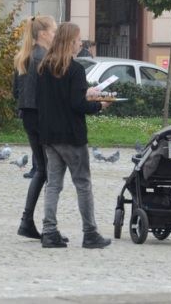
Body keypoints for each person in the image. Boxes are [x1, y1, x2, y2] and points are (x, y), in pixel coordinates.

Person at [37, 22, 112, 249]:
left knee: (53, 184)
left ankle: (49, 231)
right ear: (70, 42)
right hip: (71, 135)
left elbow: (51, 99)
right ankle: (90, 233)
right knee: (83, 184)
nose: (81, 44)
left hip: (49, 135)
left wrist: (84, 94)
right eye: (79, 40)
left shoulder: (44, 67)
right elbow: (77, 104)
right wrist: (100, 105)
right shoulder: (76, 69)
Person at [13, 15, 57, 240]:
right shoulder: (44, 58)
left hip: (28, 116)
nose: (55, 35)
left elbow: (16, 92)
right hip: (42, 116)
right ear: (43, 34)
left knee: (42, 169)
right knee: (49, 171)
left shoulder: (24, 57)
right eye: (54, 31)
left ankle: (28, 220)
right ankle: (40, 224)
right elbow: (51, 93)